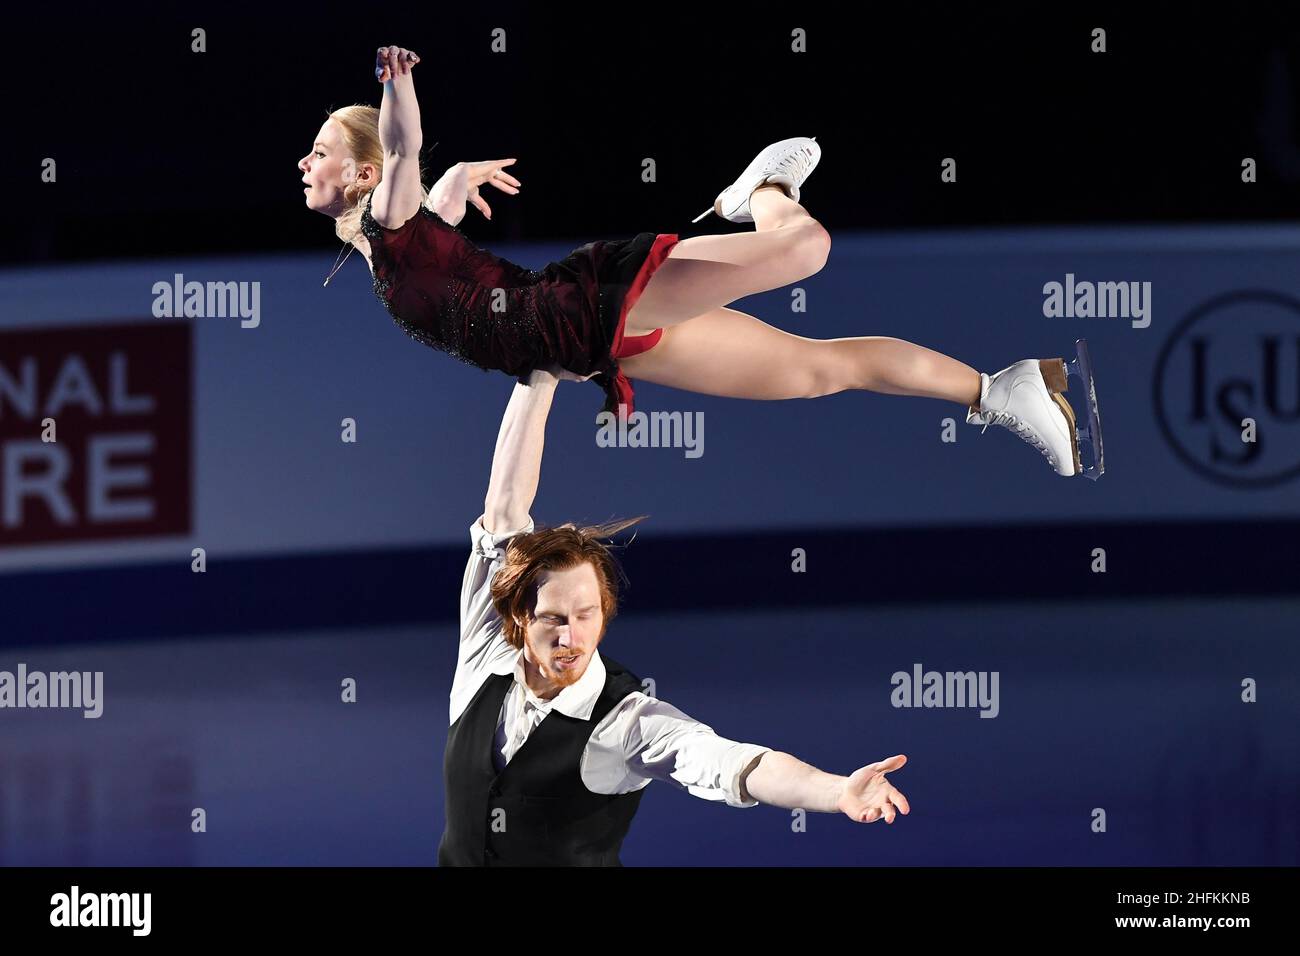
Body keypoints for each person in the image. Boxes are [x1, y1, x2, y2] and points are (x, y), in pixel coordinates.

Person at [299, 45, 1103, 479]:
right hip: (599, 346)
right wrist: (461, 175)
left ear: (365, 175)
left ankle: (764, 189)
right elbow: (433, 190)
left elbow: (404, 149)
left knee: (805, 249)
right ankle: (999, 391)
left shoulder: (396, 219)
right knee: (816, 371)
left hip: (587, 302)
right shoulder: (394, 245)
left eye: (321, 151)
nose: (306, 163)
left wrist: (397, 82)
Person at [440, 363, 911, 865]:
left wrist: (835, 791)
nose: (571, 636)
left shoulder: (627, 720)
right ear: (518, 617)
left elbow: (731, 763)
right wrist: (542, 373)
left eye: (587, 614)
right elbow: (505, 509)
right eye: (553, 618)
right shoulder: (486, 652)